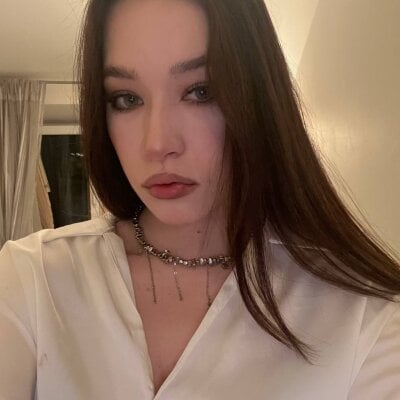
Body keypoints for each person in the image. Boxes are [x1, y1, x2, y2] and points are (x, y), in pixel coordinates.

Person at [1, 0, 399, 398]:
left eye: (200, 91)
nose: (158, 144)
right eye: (126, 99)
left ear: (259, 100)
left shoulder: (364, 317)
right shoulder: (32, 278)